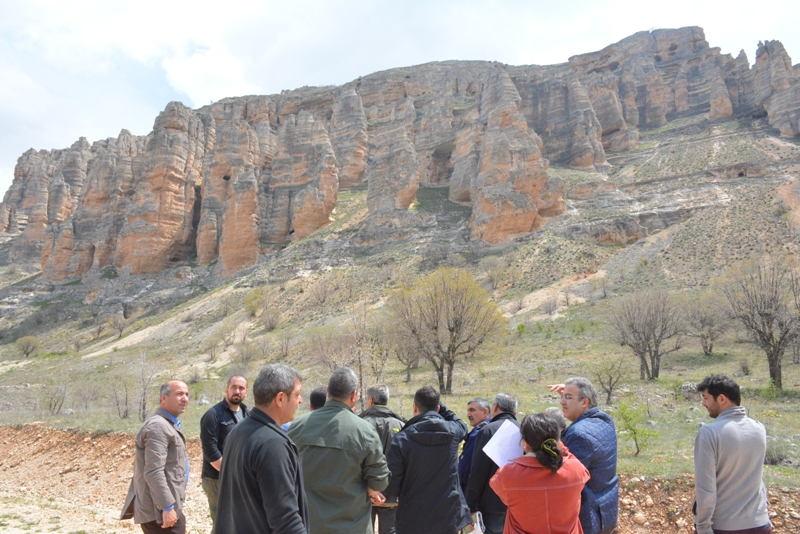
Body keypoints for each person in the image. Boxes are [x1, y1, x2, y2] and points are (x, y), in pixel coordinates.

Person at [288, 367, 391, 534]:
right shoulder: (364, 431)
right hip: (352, 527)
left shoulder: (297, 427)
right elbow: (379, 482)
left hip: (308, 525)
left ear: (328, 391)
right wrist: (371, 490)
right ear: (354, 395)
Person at [213, 364, 307, 534]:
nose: (300, 400)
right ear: (280, 399)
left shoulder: (238, 431)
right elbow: (286, 521)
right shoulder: (272, 445)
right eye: (297, 395)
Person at [384, 386, 472, 534]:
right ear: (438, 408)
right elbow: (462, 424)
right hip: (447, 518)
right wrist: (440, 407)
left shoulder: (402, 439)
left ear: (414, 407)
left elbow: (392, 485)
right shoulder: (452, 433)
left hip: (411, 519)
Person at [694, 375, 771, 534]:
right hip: (760, 524)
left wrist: (702, 527)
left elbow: (706, 489)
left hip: (724, 527)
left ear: (721, 399)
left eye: (706, 398)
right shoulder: (759, 429)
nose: (703, 403)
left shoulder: (709, 433)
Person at [490, 413, 589, 533]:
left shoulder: (508, 475)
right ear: (557, 441)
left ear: (525, 443)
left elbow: (495, 482)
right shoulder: (575, 469)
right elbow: (571, 458)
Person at [550, 377, 619, 534]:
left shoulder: (577, 434)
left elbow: (566, 479)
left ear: (584, 402)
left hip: (589, 517)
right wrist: (572, 391)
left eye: (567, 398)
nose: (561, 402)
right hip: (608, 511)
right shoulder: (605, 420)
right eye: (562, 397)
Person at [120, 380, 189, 534]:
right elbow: (153, 471)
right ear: (164, 398)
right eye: (179, 394)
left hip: (164, 508)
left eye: (186, 394)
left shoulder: (168, 425)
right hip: (158, 512)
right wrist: (167, 507)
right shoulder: (158, 427)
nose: (184, 398)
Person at [466, 392, 520, 534]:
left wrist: (470, 504)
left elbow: (478, 471)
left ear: (495, 407)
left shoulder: (488, 430)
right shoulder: (524, 430)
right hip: (518, 505)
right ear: (515, 411)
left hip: (491, 505)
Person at [199, 375, 250, 523]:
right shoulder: (213, 415)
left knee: (238, 522)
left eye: (241, 388)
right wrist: (231, 473)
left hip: (238, 477)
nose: (237, 391)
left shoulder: (247, 414)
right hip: (217, 479)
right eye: (234, 387)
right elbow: (210, 450)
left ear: (246, 392)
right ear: (227, 390)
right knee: (222, 523)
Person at [360, 385, 407, 534]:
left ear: (370, 400)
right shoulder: (401, 425)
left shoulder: (359, 424)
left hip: (364, 491)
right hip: (393, 491)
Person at [458, 398, 491, 496]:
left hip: (472, 491)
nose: (468, 415)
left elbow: (465, 467)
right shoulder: (494, 428)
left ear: (485, 412)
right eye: (468, 411)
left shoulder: (478, 434)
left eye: (472, 410)